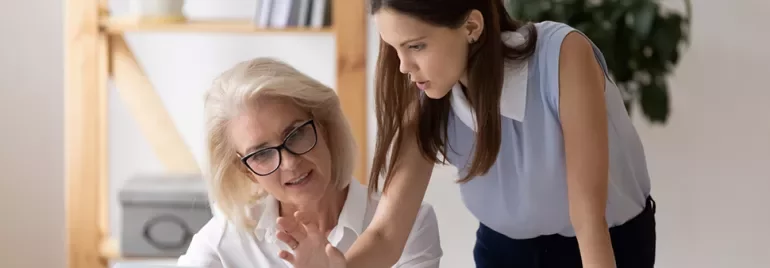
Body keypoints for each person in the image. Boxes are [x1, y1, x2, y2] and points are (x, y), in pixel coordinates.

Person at [279, 0, 657, 267]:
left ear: (472, 26)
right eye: (394, 49)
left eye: (416, 46)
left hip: (604, 244)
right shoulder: (427, 93)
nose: (404, 67)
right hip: (504, 251)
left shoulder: (562, 56)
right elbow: (386, 234)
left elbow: (587, 216)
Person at [176, 58, 443, 268]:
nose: (290, 162)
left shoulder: (412, 224)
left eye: (296, 134)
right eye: (261, 154)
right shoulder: (226, 239)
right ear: (246, 171)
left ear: (324, 126)